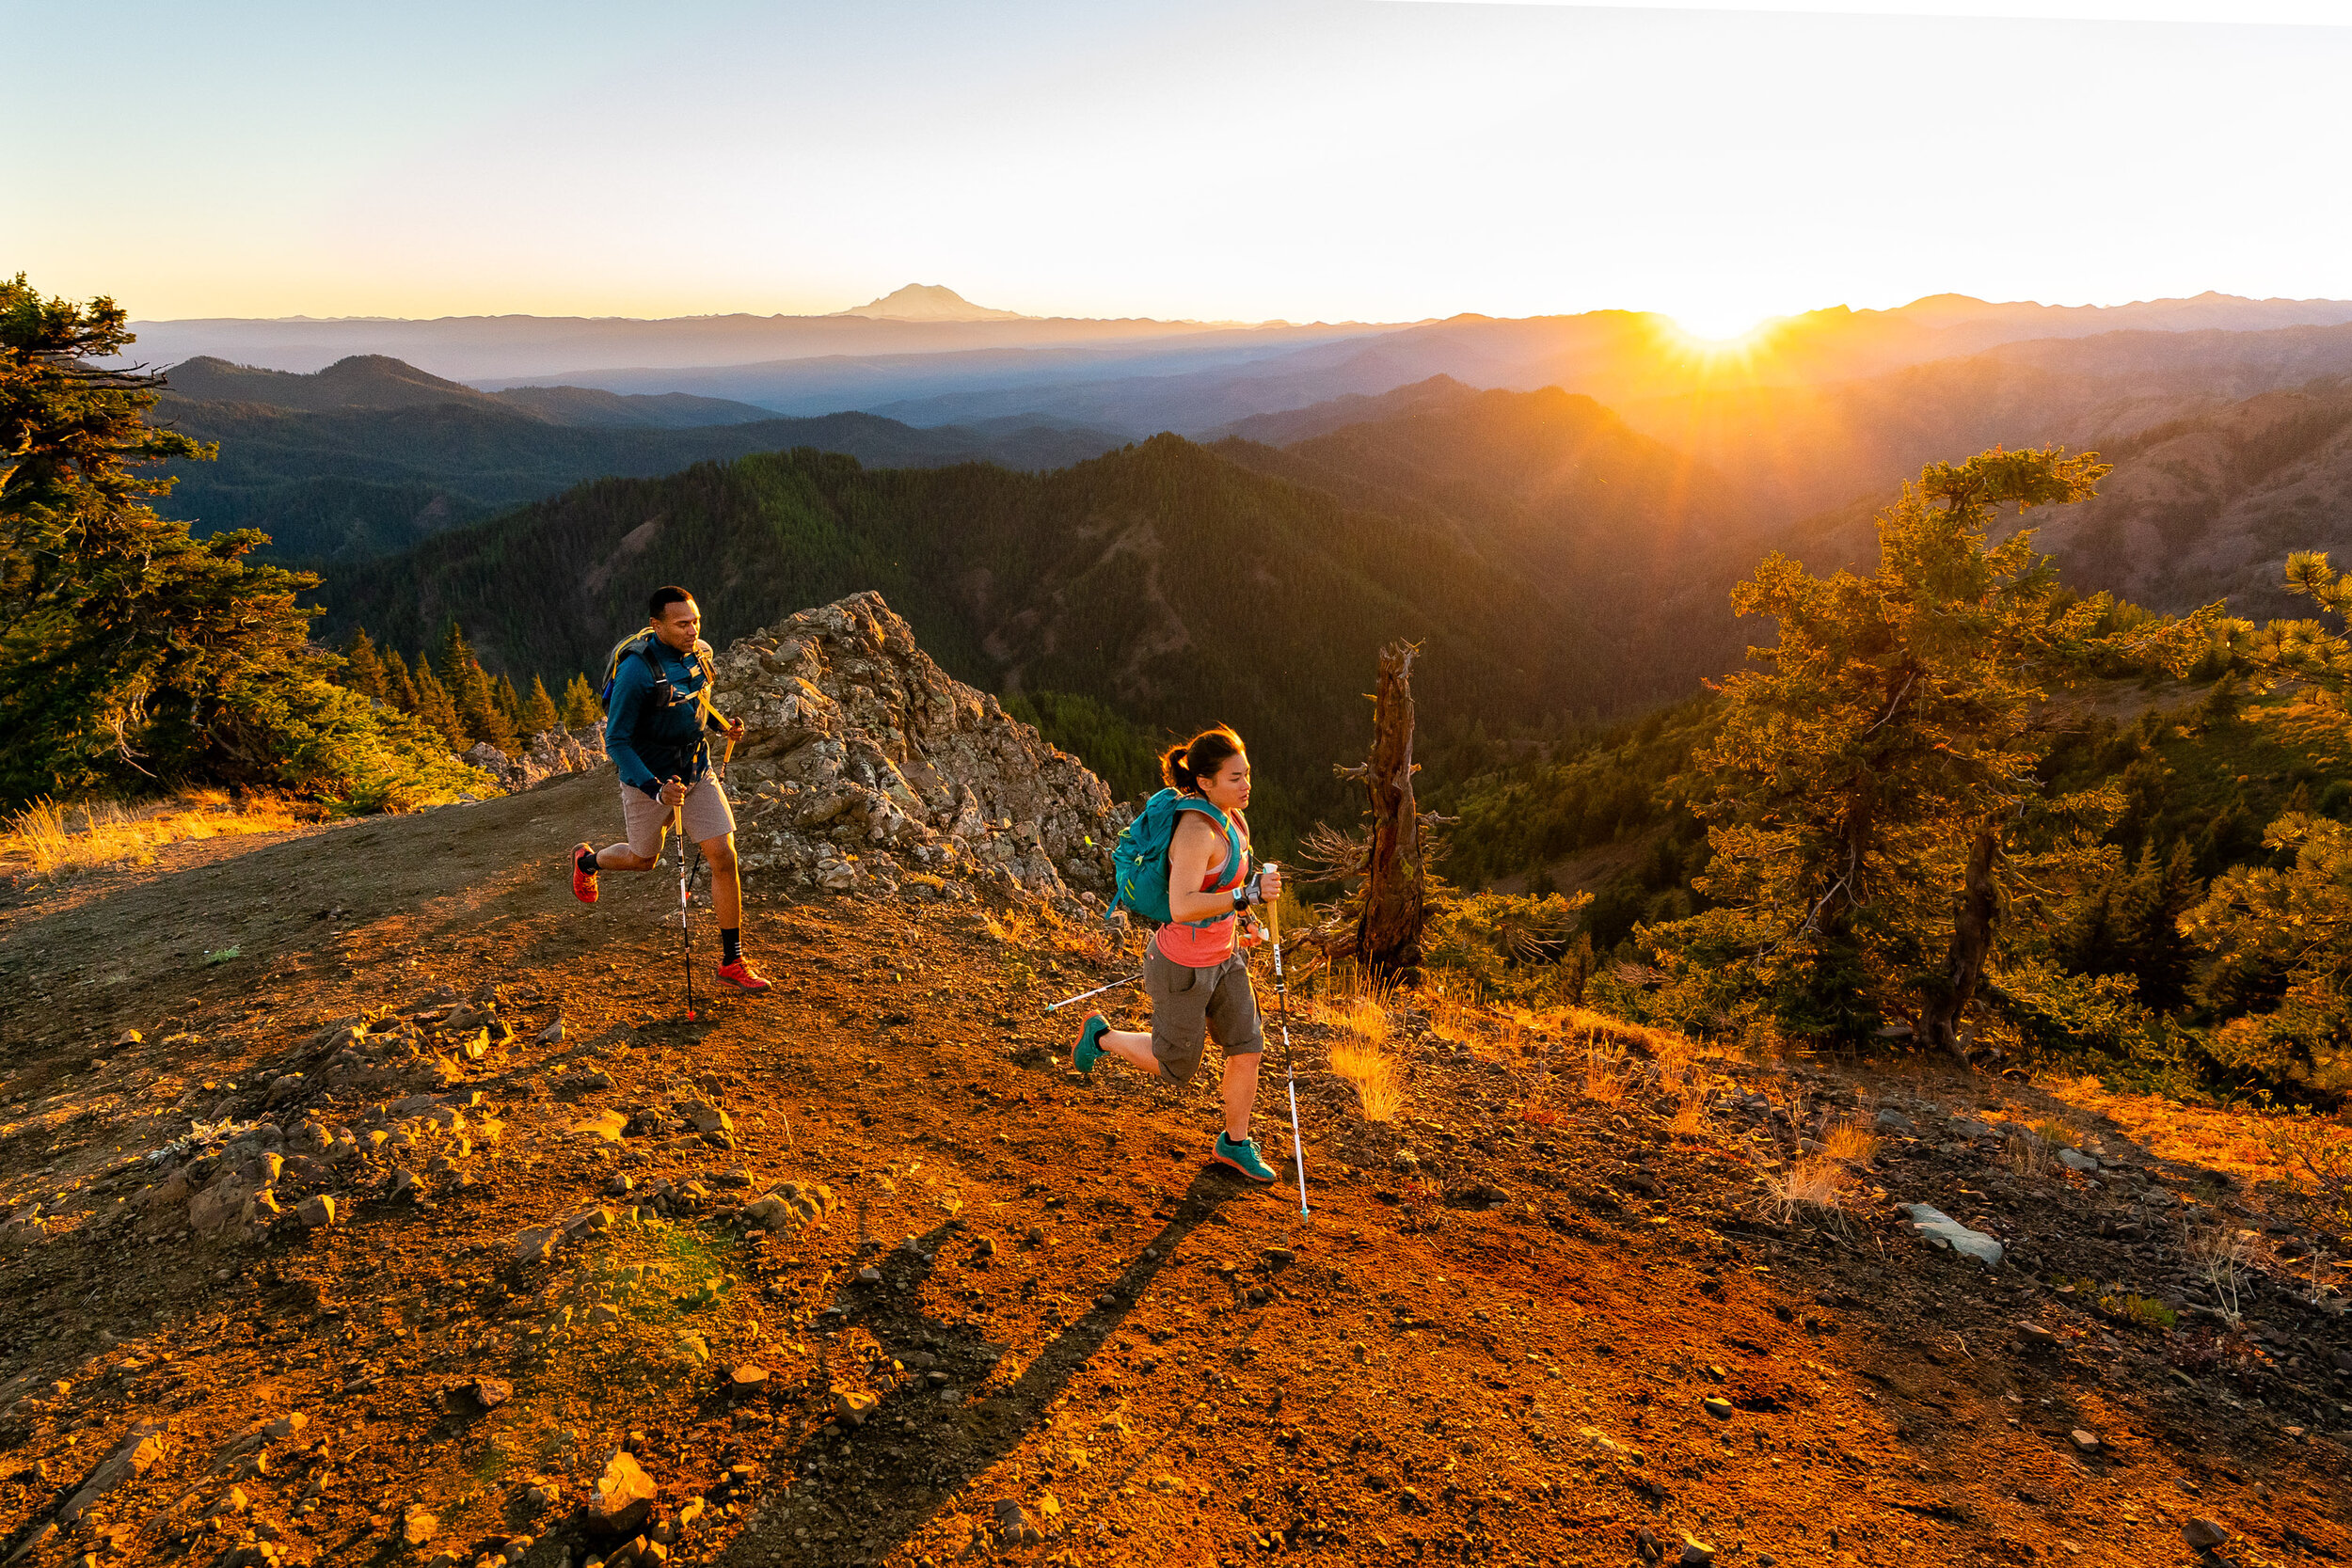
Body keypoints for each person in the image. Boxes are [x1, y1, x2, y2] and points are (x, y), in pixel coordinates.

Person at [1073, 726, 1284, 1182]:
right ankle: (1102, 1037)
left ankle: (1235, 1144)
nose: (1246, 785)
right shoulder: (1195, 832)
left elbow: (1223, 887)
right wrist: (1245, 898)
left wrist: (1243, 922)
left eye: (1246, 774)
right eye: (1234, 778)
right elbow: (1182, 905)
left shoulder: (1234, 819)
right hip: (1183, 964)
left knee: (1247, 1047)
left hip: (1225, 957)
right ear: (1205, 782)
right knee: (1176, 1066)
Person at [568, 585, 773, 993]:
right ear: (656, 625)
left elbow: (695, 700)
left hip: (697, 772)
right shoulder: (636, 671)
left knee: (723, 856)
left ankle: (732, 961)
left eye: (695, 620)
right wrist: (655, 789)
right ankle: (588, 862)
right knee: (645, 859)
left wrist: (720, 727)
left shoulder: (700, 654)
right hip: (648, 780)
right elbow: (617, 741)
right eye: (681, 624)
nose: (692, 630)